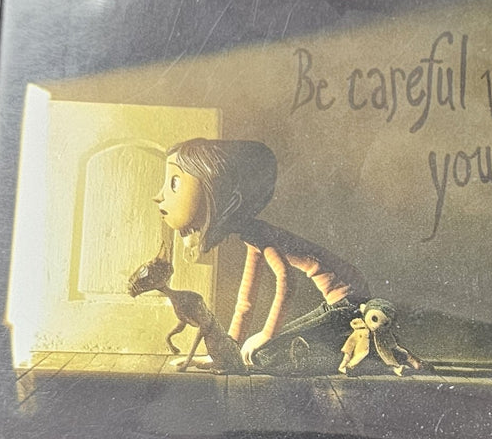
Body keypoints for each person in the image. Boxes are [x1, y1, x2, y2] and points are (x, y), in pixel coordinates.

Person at [154, 137, 368, 370]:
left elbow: (286, 279)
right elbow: (246, 301)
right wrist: (227, 351)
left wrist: (266, 335)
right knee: (258, 354)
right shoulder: (253, 235)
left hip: (350, 304)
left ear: (227, 198)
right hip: (338, 303)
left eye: (175, 183)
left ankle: (361, 350)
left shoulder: (260, 234)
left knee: (262, 355)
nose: (159, 197)